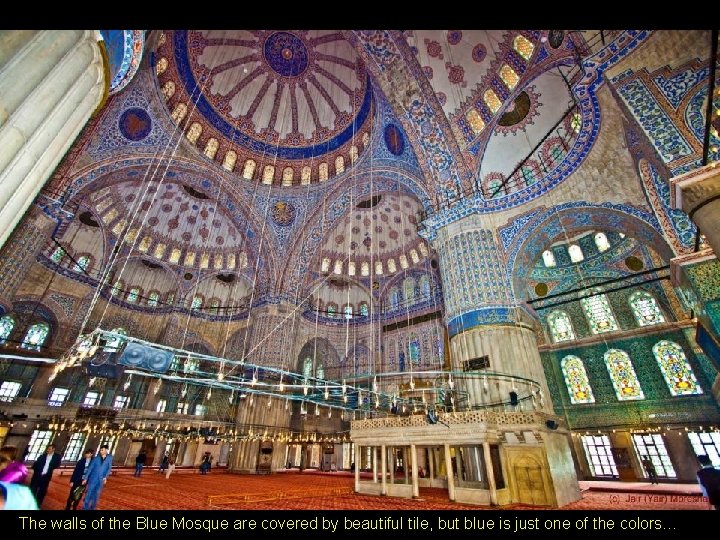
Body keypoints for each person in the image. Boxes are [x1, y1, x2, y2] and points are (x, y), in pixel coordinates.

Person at [82, 445, 112, 510]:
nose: (100, 451)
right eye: (100, 450)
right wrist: (85, 478)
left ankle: (92, 508)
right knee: (89, 493)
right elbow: (90, 468)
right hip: (93, 479)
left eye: (102, 450)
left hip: (101, 479)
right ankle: (85, 508)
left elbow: (109, 468)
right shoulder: (96, 458)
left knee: (96, 495)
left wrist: (106, 477)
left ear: (106, 450)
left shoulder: (109, 458)